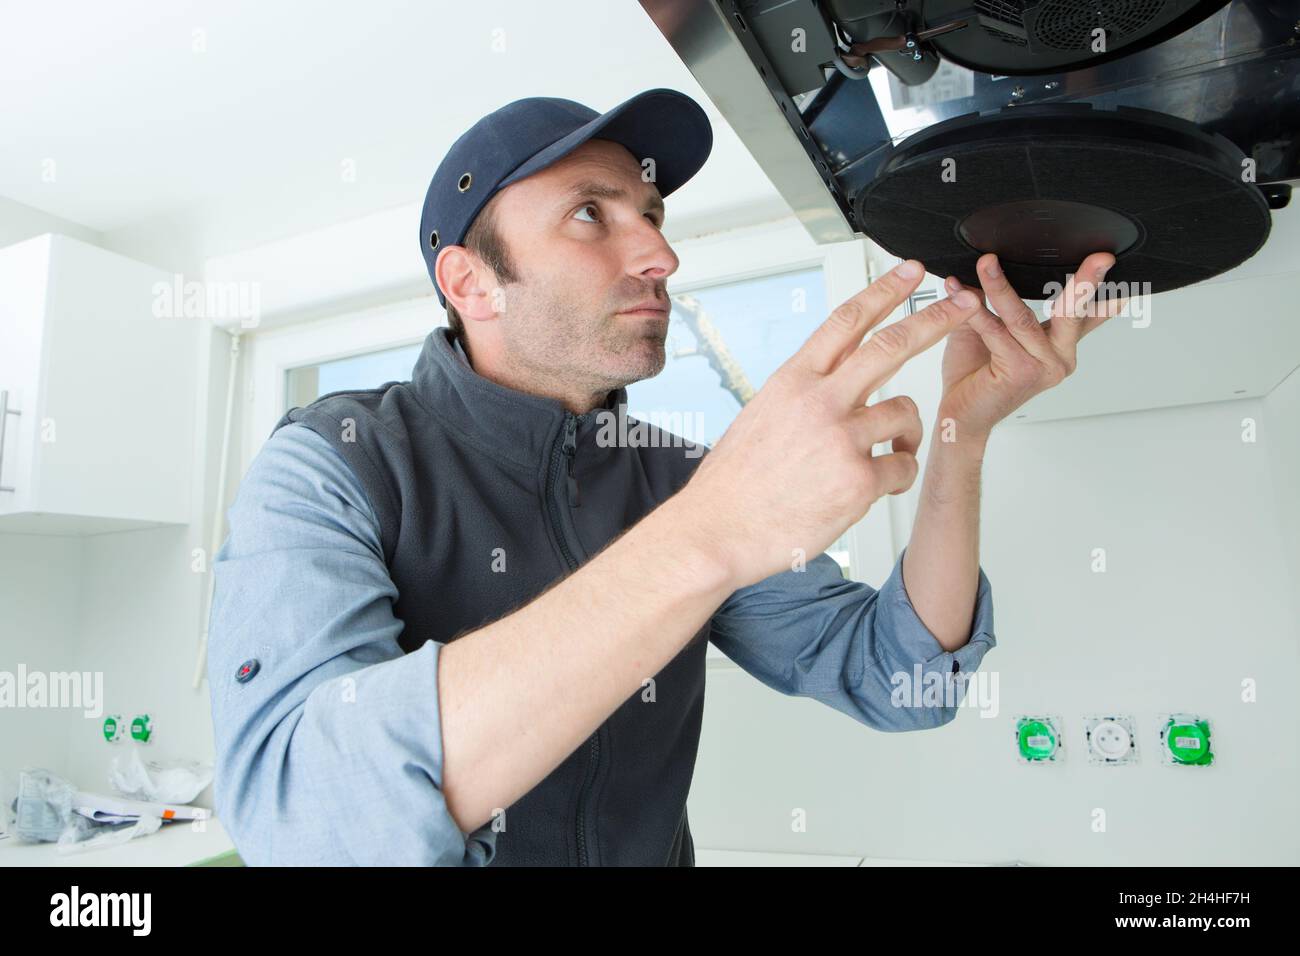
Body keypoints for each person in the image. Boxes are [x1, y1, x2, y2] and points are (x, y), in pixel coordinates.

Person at [206, 88, 1123, 866]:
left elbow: (896, 680)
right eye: (590, 215)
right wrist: (710, 534)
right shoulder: (331, 463)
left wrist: (962, 432)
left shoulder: (683, 477)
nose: (660, 255)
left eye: (651, 218)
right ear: (472, 282)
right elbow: (304, 820)